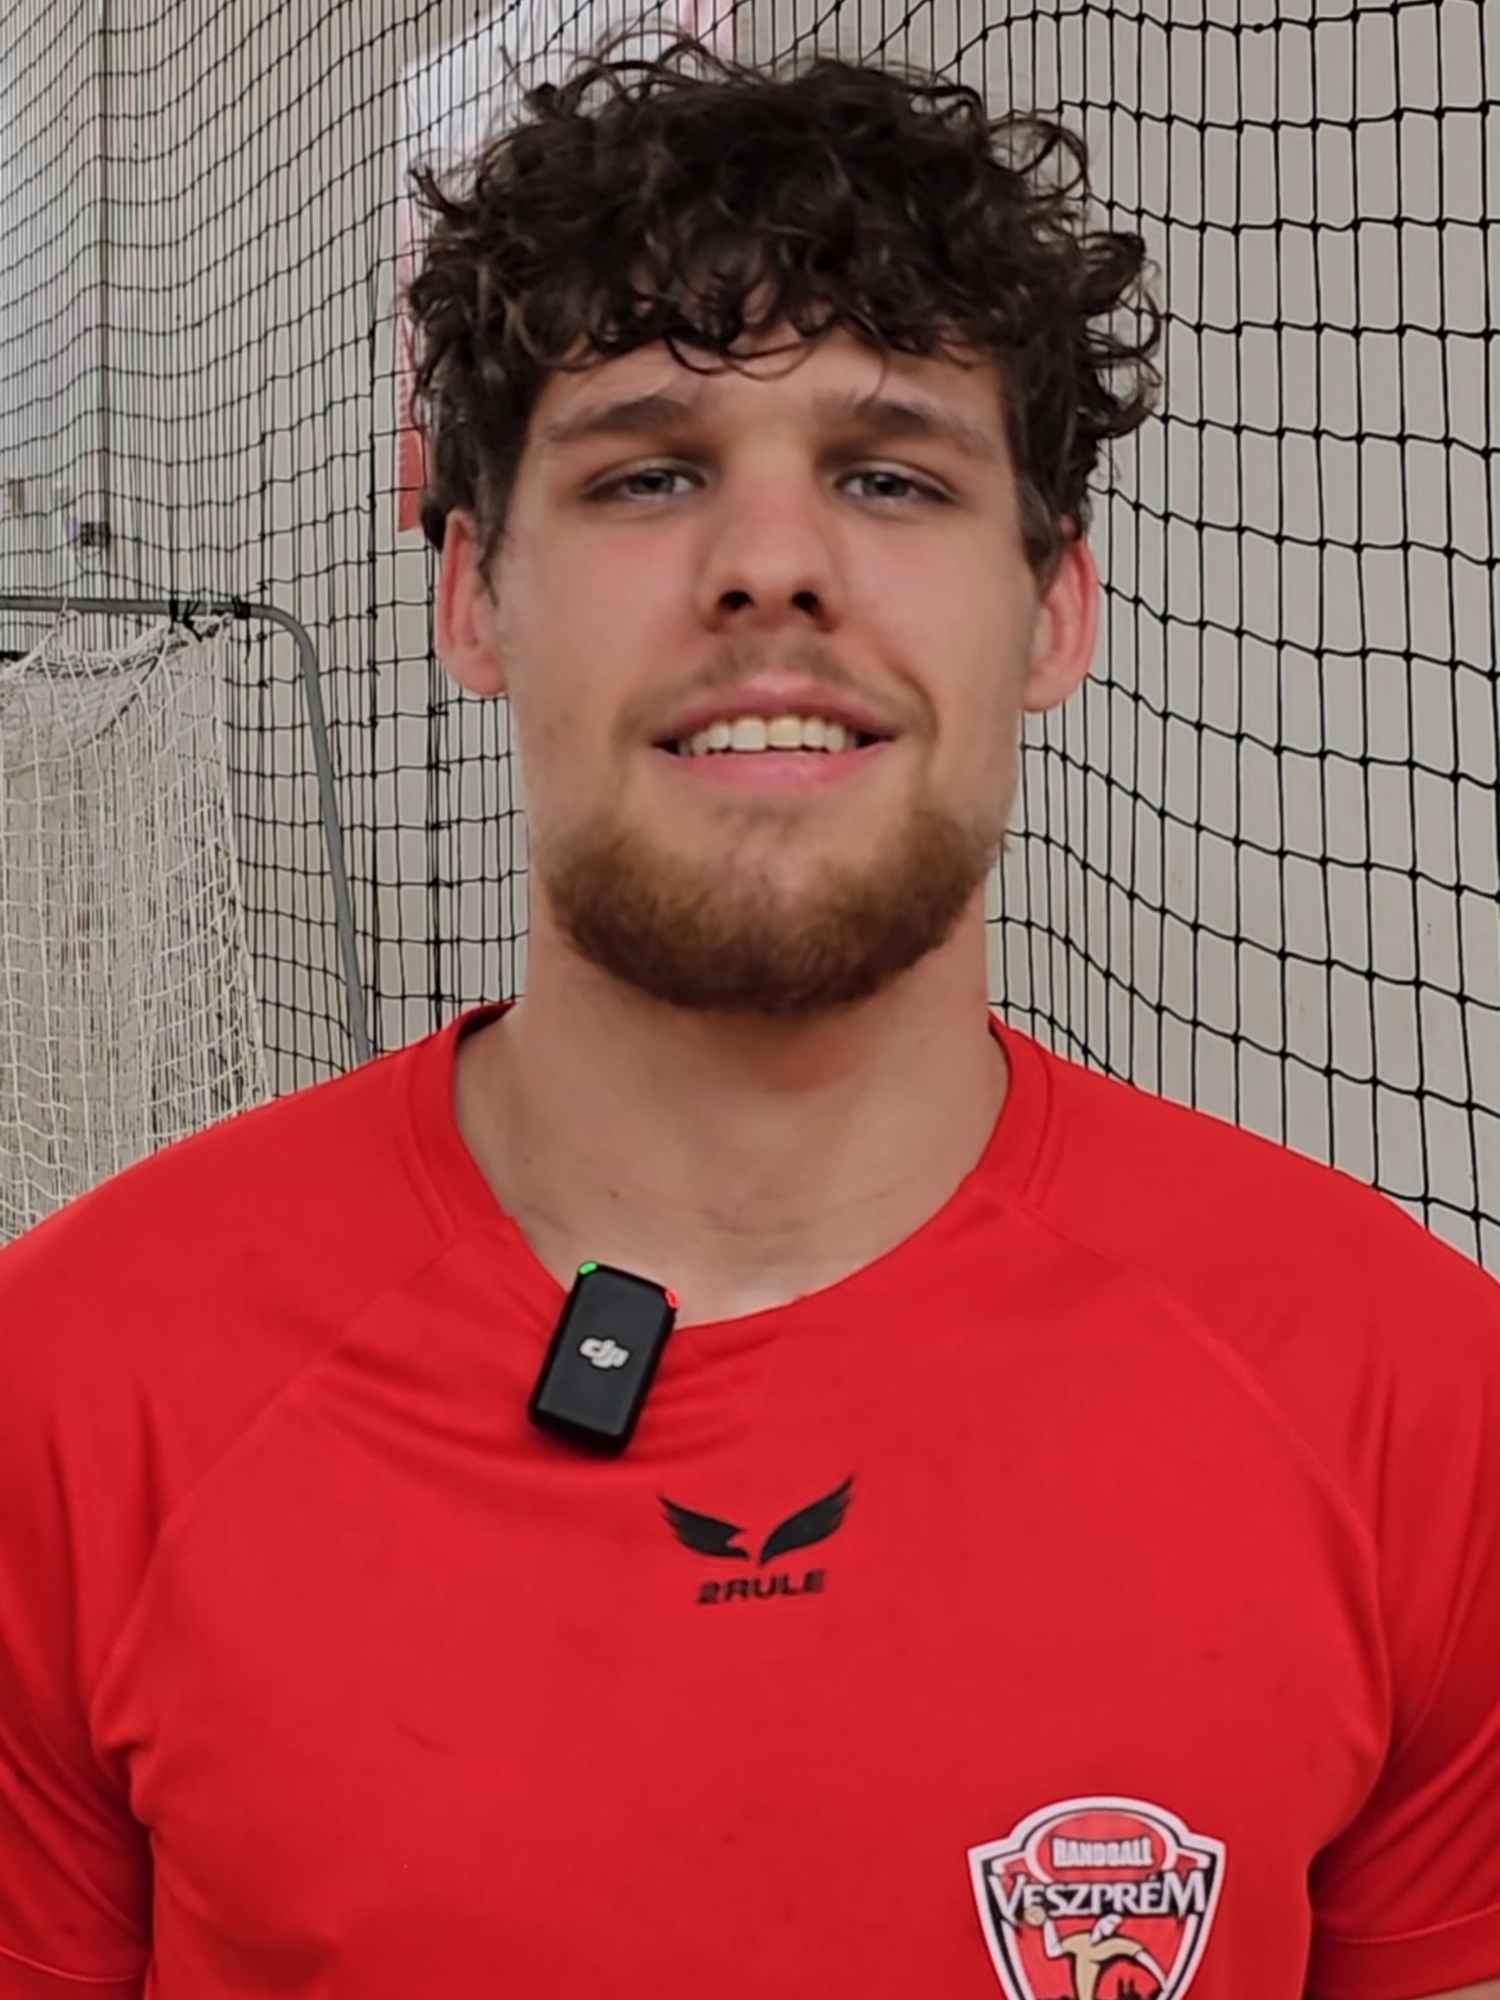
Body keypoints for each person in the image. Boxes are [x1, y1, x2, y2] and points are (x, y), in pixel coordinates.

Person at [0, 41, 1497, 2000]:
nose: (773, 565)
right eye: (648, 471)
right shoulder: (69, 1392)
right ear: (473, 600)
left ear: (1054, 612)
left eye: (890, 476)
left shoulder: (1411, 1396)